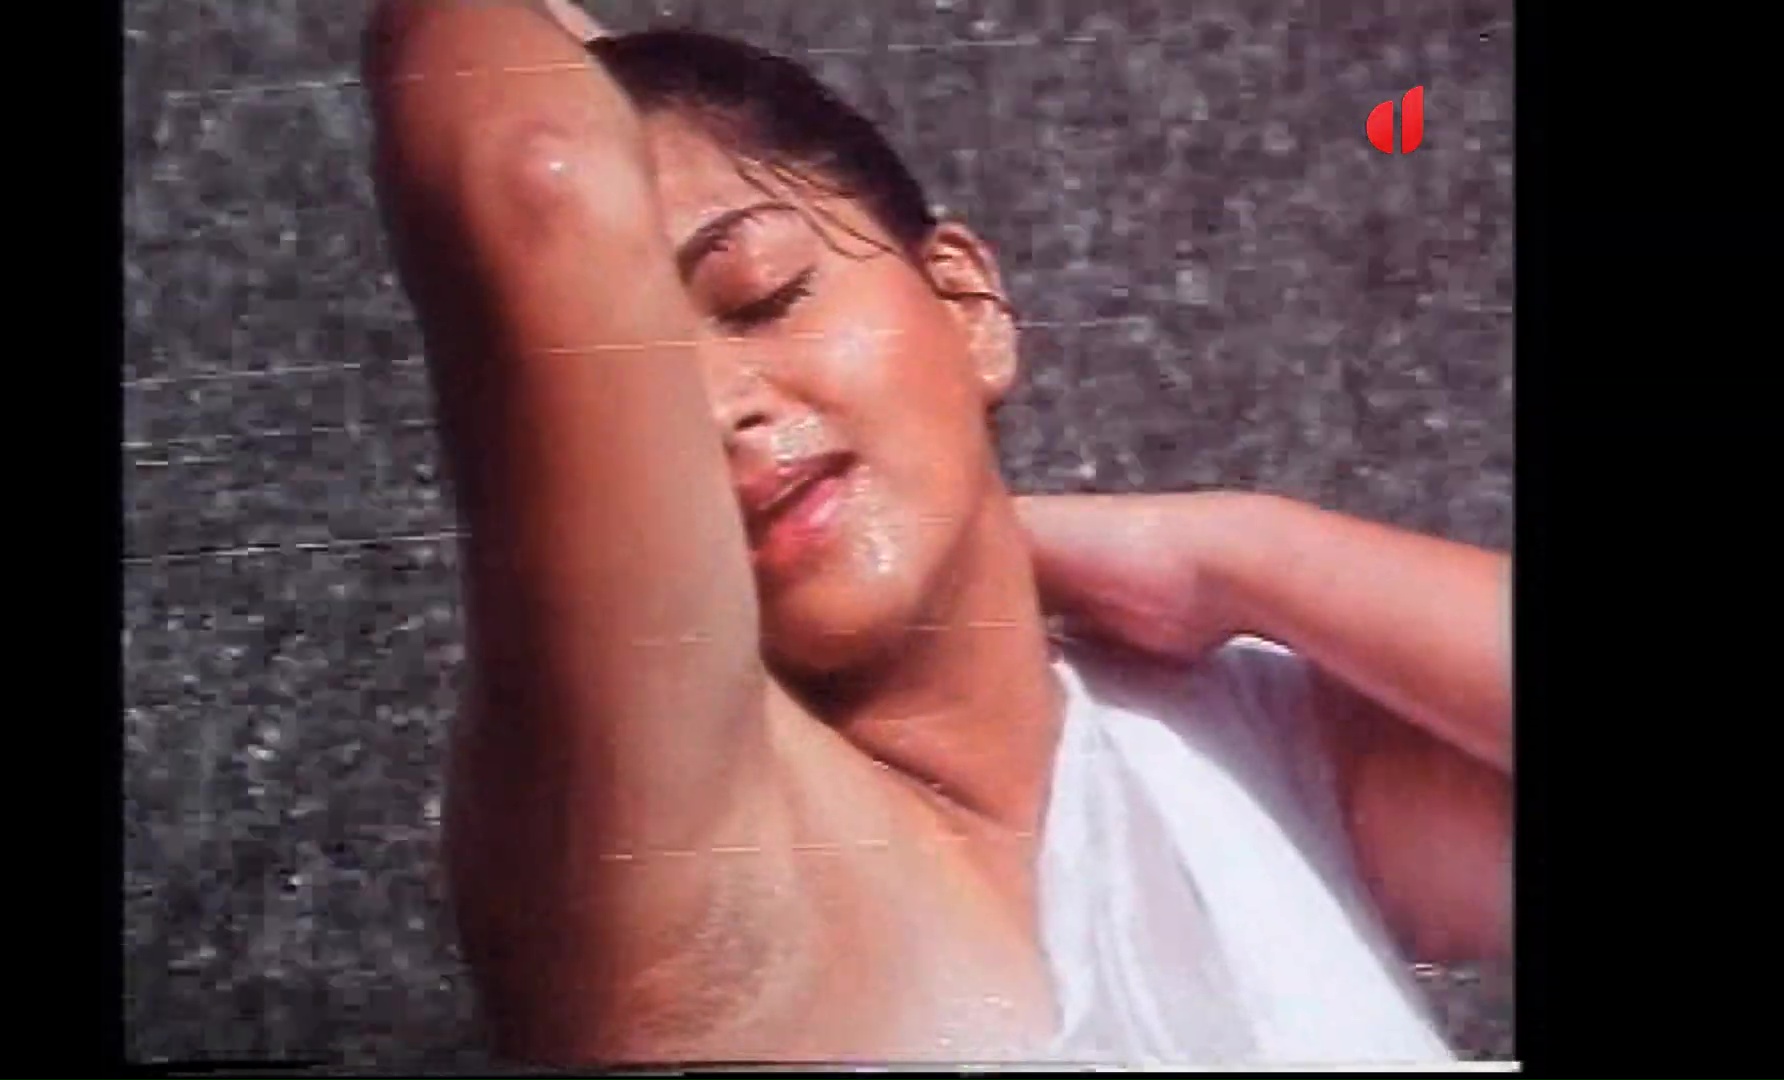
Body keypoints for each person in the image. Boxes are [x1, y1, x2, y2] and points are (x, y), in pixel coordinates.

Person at [362, 0, 1512, 1065]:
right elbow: (539, 180)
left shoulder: (1227, 743)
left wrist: (1236, 554)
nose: (717, 409)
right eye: (642, 400)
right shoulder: (688, 858)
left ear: (968, 304)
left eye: (763, 295)